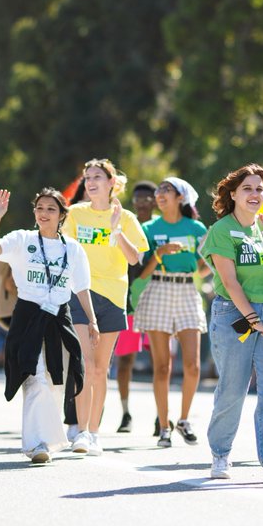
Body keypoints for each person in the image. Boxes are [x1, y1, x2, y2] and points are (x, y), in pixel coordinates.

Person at [0, 188, 96, 463]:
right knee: (35, 377)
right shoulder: (23, 239)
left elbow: (82, 288)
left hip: (59, 316)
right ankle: (35, 445)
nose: (44, 213)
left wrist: (92, 320)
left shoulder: (72, 248)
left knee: (56, 379)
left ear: (62, 216)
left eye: (51, 209)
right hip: (28, 315)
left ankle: (49, 439)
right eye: (40, 207)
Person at [202, 163, 263, 484]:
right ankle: (220, 454)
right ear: (233, 194)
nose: (255, 195)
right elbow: (229, 281)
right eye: (247, 189)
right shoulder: (221, 231)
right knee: (233, 387)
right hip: (234, 315)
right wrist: (255, 321)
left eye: (259, 189)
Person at [62, 159, 149, 455]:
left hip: (113, 296)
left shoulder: (124, 217)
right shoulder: (74, 214)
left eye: (97, 176)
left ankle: (95, 432)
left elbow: (136, 258)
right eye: (88, 177)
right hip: (81, 293)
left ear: (112, 182)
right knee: (86, 365)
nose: (91, 182)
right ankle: (82, 431)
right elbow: (65, 251)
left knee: (101, 369)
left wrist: (116, 231)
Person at [135, 176, 209, 449]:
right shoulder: (149, 228)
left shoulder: (197, 228)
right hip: (158, 289)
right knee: (162, 366)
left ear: (181, 198)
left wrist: (198, 270)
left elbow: (207, 264)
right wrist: (159, 254)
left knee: (192, 365)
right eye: (160, 190)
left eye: (168, 190)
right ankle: (163, 426)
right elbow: (139, 271)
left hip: (187, 291)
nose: (161, 194)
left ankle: (184, 420)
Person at [115, 179, 157, 433]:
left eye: (146, 200)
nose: (141, 204)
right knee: (125, 361)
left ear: (155, 202)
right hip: (127, 302)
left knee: (159, 361)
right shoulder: (126, 226)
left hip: (155, 302)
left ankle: (160, 415)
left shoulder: (157, 230)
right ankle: (125, 413)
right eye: (137, 200)